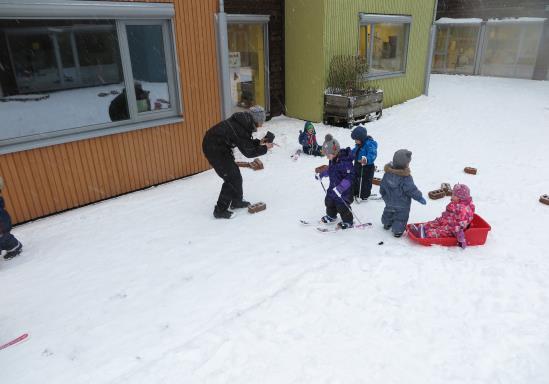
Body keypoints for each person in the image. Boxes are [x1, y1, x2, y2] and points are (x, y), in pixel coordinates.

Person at [202, 105, 273, 219]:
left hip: (221, 147)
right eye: (262, 121)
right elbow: (248, 152)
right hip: (214, 148)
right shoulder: (241, 127)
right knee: (231, 177)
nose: (262, 124)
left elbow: (245, 143)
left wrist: (259, 142)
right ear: (257, 120)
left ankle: (236, 201)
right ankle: (220, 210)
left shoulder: (243, 122)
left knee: (235, 175)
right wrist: (265, 148)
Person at [410, 184, 475, 248]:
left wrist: (459, 235)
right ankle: (422, 227)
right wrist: (444, 218)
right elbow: (449, 212)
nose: (451, 196)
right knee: (435, 222)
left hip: (453, 228)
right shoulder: (456, 202)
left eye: (454, 195)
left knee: (440, 231)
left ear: (460, 197)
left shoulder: (463, 209)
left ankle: (426, 234)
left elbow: (461, 223)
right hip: (447, 220)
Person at [379, 149, 426, 237]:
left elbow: (382, 186)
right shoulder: (405, 177)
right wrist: (419, 197)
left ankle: (386, 223)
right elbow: (411, 190)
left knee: (388, 211)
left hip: (389, 201)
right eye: (408, 163)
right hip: (402, 203)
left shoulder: (387, 174)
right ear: (404, 164)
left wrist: (385, 196)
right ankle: (397, 231)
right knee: (401, 217)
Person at [316, 134, 355, 229]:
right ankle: (331, 216)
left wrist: (341, 188)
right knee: (329, 201)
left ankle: (348, 221)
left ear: (335, 152)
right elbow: (330, 170)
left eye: (327, 155)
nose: (327, 157)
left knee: (342, 206)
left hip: (344, 191)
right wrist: (322, 174)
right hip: (333, 188)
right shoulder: (333, 160)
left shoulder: (345, 163)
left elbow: (350, 177)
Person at [350, 125, 377, 200]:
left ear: (361, 138)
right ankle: (355, 192)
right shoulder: (359, 144)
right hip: (358, 165)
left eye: (356, 139)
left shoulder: (369, 144)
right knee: (356, 178)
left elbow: (372, 154)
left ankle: (364, 195)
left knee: (365, 181)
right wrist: (348, 154)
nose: (355, 141)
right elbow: (354, 151)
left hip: (367, 167)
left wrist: (366, 160)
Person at [0, 177, 23, 260]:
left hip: (2, 226)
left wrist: (3, 228)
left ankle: (15, 247)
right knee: (5, 239)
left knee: (4, 238)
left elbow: (3, 219)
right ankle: (14, 245)